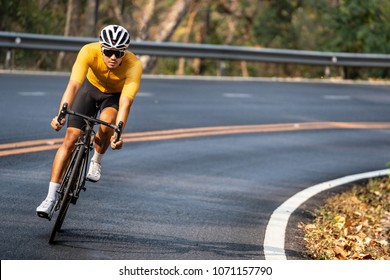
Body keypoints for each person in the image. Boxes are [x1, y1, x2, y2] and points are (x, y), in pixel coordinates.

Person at [36, 25, 143, 219]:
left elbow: (125, 103)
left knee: (107, 121)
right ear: (101, 48)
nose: (113, 57)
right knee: (70, 139)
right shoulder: (88, 51)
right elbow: (74, 85)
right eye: (109, 51)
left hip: (114, 96)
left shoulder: (134, 65)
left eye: (118, 53)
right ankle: (50, 198)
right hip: (89, 89)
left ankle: (96, 160)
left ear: (124, 52)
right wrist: (60, 114)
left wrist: (118, 135)